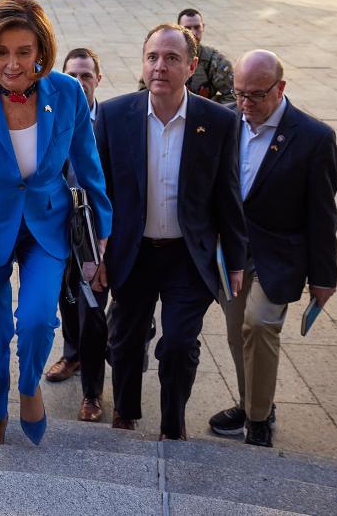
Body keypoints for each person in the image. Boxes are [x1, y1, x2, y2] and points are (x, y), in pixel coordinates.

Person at [0, 0, 112, 446]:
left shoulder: (68, 93)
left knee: (35, 321)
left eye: (23, 52)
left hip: (46, 226)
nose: (12, 64)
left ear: (42, 51)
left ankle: (29, 386)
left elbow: (89, 170)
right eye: (0, 53)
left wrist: (101, 238)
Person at [94, 24, 246, 440]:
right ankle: (125, 411)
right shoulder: (113, 115)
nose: (160, 66)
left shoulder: (217, 121)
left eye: (172, 58)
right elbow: (98, 191)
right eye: (152, 57)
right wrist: (96, 255)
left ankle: (172, 423)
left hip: (187, 257)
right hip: (132, 253)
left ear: (192, 66)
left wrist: (235, 260)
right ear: (143, 63)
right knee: (123, 341)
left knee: (179, 343)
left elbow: (228, 194)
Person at [208, 50, 337, 447]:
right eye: (240, 93)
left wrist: (323, 278)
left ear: (280, 89)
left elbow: (322, 214)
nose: (246, 105)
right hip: (231, 252)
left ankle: (259, 421)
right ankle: (251, 403)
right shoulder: (224, 119)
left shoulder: (314, 138)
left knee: (259, 324)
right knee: (235, 332)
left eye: (256, 96)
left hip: (280, 253)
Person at [43, 47, 111, 424]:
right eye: (72, 76)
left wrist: (107, 240)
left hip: (95, 238)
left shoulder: (111, 122)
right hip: (56, 233)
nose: (79, 83)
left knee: (94, 314)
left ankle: (93, 393)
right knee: (65, 301)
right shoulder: (52, 117)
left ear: (98, 79)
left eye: (86, 76)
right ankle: (71, 354)